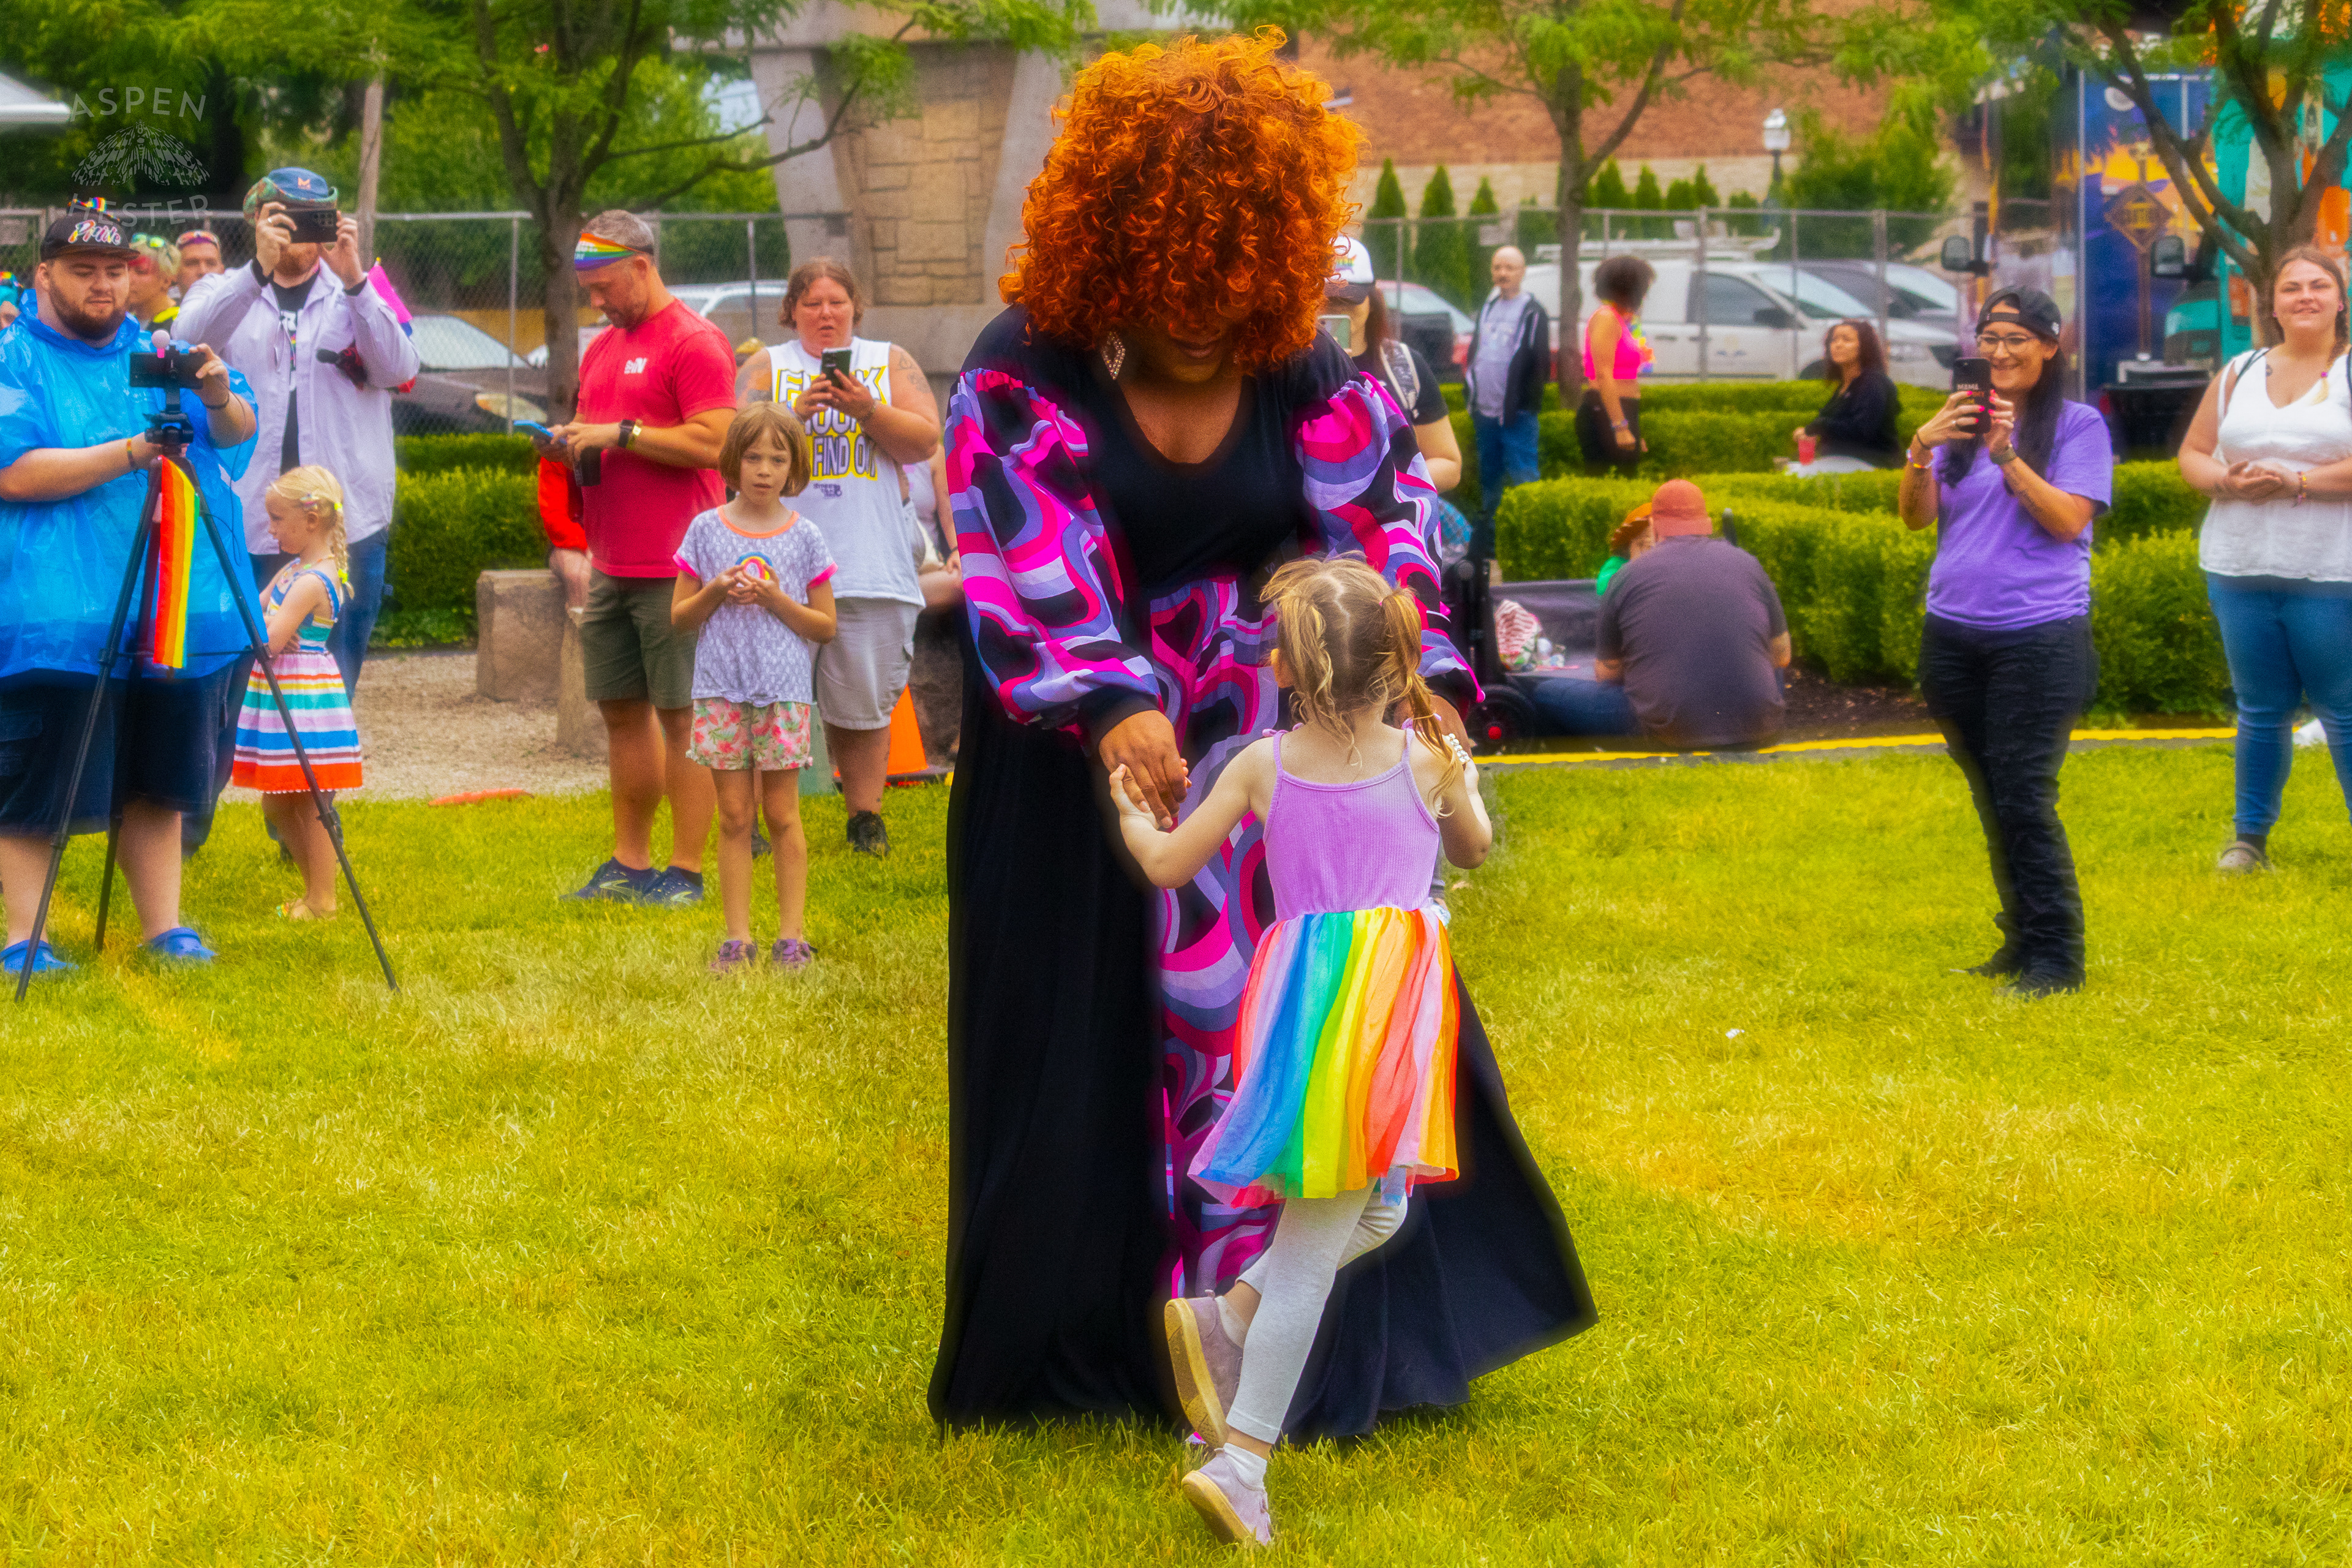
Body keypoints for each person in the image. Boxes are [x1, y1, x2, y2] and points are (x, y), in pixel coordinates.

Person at [933, 30, 1592, 1443]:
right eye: (1174, 290)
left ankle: (1262, 1335)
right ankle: (1093, 1349)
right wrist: (1115, 705)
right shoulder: (1019, 368)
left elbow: (1390, 526)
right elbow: (1017, 556)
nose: (1200, 320)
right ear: (1112, 251)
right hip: (1071, 770)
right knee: (1080, 1054)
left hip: (1275, 752)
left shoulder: (1298, 362)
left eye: (1231, 293)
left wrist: (1413, 678)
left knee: (1289, 1043)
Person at [1113, 557, 1491, 1545]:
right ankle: (1244, 1461)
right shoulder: (1426, 759)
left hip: (1321, 1013)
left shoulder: (1261, 764)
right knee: (1326, 1239)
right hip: (1385, 1014)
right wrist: (1464, 779)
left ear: (1292, 670)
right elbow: (1475, 849)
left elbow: (1164, 863)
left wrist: (1128, 815)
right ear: (1398, 660)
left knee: (1383, 1205)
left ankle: (1231, 1314)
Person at [0, 203, 258, 974]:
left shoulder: (162, 351)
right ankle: (24, 937)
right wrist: (133, 449)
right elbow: (14, 472)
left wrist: (213, 393)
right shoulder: (14, 359)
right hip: (56, 612)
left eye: (116, 271)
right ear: (44, 273)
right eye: (84, 272)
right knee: (35, 784)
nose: (104, 285)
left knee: (161, 774)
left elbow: (238, 430)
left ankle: (165, 929)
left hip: (172, 607)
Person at [1899, 286, 2112, 998]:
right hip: (1954, 635)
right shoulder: (1957, 427)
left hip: (2040, 637)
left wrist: (2008, 455)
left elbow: (2067, 521)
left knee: (2024, 794)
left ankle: (2059, 957)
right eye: (1989, 339)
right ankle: (2020, 941)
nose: (2000, 352)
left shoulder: (2079, 427)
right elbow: (1914, 518)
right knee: (1993, 794)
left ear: (2051, 347)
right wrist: (1921, 448)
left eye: (2017, 338)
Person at [535, 209, 738, 907]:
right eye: (588, 288)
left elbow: (716, 442)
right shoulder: (601, 350)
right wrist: (572, 443)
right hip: (613, 560)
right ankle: (630, 862)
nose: (597, 302)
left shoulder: (696, 341)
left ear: (643, 267)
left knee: (682, 717)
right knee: (622, 713)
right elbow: (607, 437)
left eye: (604, 286)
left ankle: (685, 872)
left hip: (679, 564)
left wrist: (619, 433)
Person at [176, 169, 420, 694]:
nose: (300, 233)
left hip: (344, 524)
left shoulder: (366, 291)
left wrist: (355, 281)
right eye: (285, 218)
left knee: (330, 683)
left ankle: (317, 777)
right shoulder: (221, 288)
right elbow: (187, 342)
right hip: (248, 519)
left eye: (315, 220)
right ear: (257, 221)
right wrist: (258, 271)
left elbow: (400, 369)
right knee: (237, 683)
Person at [737, 260, 942, 858]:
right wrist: (792, 414)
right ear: (791, 311)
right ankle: (753, 823)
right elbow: (731, 442)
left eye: (837, 301)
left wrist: (866, 410)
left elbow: (926, 441)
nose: (825, 313)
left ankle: (865, 819)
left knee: (862, 702)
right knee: (769, 698)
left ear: (855, 306)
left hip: (868, 559)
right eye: (812, 303)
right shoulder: (769, 367)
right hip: (777, 565)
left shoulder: (888, 361)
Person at [2176, 246, 2352, 873]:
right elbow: (2195, 452)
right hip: (2240, 565)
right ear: (2272, 305)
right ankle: (2248, 841)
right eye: (2290, 287)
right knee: (2261, 708)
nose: (2304, 295)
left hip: (2332, 571)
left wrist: (2298, 484)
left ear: (2340, 299)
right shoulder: (2240, 371)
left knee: (2344, 707)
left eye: (2318, 285)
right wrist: (2226, 482)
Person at [669, 404, 839, 973]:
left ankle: (792, 937)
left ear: (794, 467)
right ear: (731, 462)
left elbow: (826, 625)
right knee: (736, 815)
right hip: (720, 690)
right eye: (752, 457)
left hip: (784, 693)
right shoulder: (705, 531)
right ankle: (737, 939)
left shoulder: (806, 537)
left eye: (778, 458)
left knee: (783, 814)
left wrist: (776, 601)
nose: (764, 470)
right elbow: (680, 618)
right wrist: (716, 590)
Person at [1532, 480, 1789, 745]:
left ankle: (1571, 767)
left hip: (1667, 730)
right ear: (1707, 523)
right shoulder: (1748, 563)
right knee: (1772, 671)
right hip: (1759, 725)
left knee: (1545, 693)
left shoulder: (1626, 576)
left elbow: (1606, 672)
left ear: (1654, 527)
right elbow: (1782, 655)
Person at [230, 467, 364, 920]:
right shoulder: (294, 569)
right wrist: (264, 623)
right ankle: (313, 893)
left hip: (304, 700)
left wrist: (266, 626)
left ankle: (322, 899)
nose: (269, 529)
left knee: (310, 801)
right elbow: (254, 606)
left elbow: (265, 636)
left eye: (277, 519)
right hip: (283, 693)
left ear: (311, 521)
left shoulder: (311, 581)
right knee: (278, 800)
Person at [1328, 238, 1469, 564]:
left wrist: (1385, 490)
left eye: (1348, 300)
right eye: (1324, 301)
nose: (1335, 310)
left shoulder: (1404, 365)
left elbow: (1449, 464)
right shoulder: (1283, 370)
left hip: (1394, 548)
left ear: (1372, 300)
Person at [1464, 244, 1550, 559]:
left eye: (1510, 268)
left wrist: (1525, 404)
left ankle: (1532, 542)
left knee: (1524, 478)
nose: (1503, 273)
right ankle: (1490, 548)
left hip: (1517, 415)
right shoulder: (1488, 307)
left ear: (1522, 272)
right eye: (1498, 267)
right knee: (1490, 480)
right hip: (1485, 413)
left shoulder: (1532, 311)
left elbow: (1540, 364)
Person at [1576, 254, 1654, 480]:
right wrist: (1620, 427)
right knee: (1614, 480)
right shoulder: (1606, 318)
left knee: (1627, 477)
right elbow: (1603, 374)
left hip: (1620, 410)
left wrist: (1632, 428)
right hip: (1604, 411)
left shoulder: (1620, 319)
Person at [1792, 320, 1901, 472]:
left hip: (1869, 464)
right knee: (1790, 469)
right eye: (1834, 340)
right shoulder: (1844, 386)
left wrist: (1817, 427)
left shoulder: (1874, 383)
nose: (1838, 345)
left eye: (1847, 340)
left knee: (1797, 474)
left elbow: (1862, 430)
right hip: (1838, 462)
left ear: (1864, 346)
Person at [1592, 501, 1654, 597]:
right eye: (1641, 543)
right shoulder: (1616, 565)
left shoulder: (1668, 563)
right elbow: (1605, 592)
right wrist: (1635, 565)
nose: (1649, 547)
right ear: (1629, 543)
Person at [127, 235, 179, 330]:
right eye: (125, 270)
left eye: (141, 272)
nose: (128, 278)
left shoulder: (180, 322)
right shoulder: (124, 321)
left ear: (166, 280)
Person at [173, 230, 225, 296]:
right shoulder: (160, 305)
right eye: (192, 264)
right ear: (175, 273)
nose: (203, 272)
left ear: (222, 271)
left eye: (211, 264)